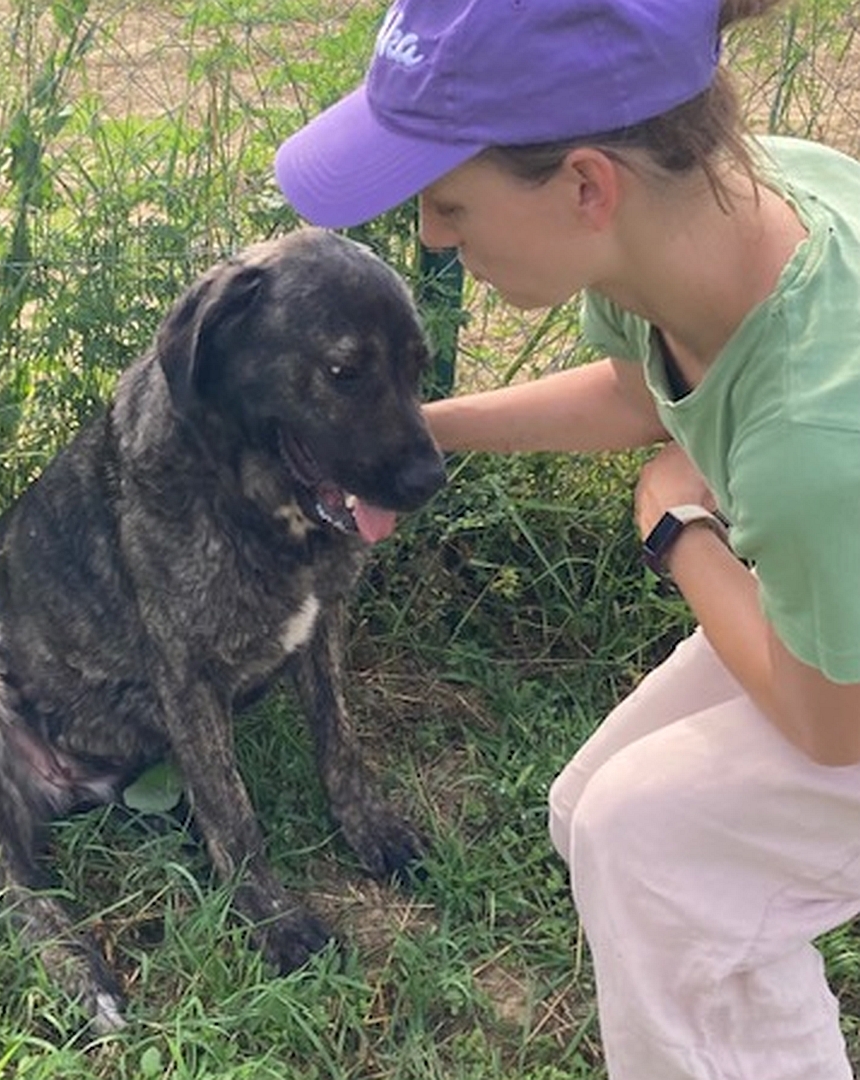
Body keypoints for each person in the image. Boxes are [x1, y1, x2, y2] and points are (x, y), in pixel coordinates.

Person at [274, 0, 860, 1077]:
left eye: (449, 204)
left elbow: (832, 730)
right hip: (838, 600)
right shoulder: (720, 211)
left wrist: (677, 529)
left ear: (588, 185)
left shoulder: (816, 436)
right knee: (588, 807)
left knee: (650, 843)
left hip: (842, 673)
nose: (431, 237)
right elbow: (645, 391)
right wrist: (418, 435)